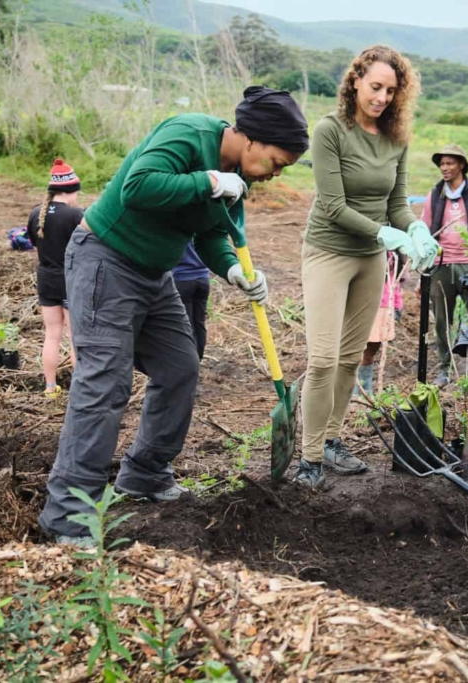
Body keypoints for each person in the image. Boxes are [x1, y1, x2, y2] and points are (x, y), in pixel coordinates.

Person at [39, 86, 309, 546]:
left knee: (180, 366)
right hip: (105, 258)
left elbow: (211, 233)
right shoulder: (188, 133)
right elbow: (138, 187)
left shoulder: (235, 178)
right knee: (105, 382)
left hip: (154, 274)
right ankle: (67, 514)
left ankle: (144, 473)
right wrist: (207, 181)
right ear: (251, 140)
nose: (274, 174)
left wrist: (232, 271)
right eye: (276, 162)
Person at [298, 45, 439, 489]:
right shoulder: (330, 131)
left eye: (390, 90)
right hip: (329, 251)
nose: (381, 97)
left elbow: (396, 204)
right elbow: (333, 204)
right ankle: (309, 458)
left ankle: (333, 441)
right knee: (321, 359)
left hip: (370, 259)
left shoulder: (395, 139)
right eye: (374, 86)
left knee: (348, 359)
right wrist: (383, 233)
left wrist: (415, 230)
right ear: (355, 81)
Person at [420, 143, 468, 386]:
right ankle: (445, 368)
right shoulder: (436, 194)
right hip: (442, 263)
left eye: (449, 163)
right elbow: (425, 231)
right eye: (442, 164)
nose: (444, 168)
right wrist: (425, 270)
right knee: (441, 320)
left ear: (462, 166)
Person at [27, 159, 83, 399]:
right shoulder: (75, 215)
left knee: (52, 335)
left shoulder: (35, 214)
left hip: (46, 279)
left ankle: (50, 388)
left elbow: (32, 243)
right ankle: (81, 391)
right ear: (70, 191)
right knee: (75, 337)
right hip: (71, 280)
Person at [353, 252, 403, 397]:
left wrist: (397, 304)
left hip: (383, 306)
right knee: (353, 351)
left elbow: (395, 281)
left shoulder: (394, 254)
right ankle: (351, 392)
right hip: (360, 304)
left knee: (369, 353)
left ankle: (364, 392)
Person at [173, 242, 211, 361]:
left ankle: (190, 363)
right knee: (199, 322)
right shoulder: (200, 225)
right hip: (203, 278)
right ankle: (198, 358)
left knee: (186, 325)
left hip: (182, 279)